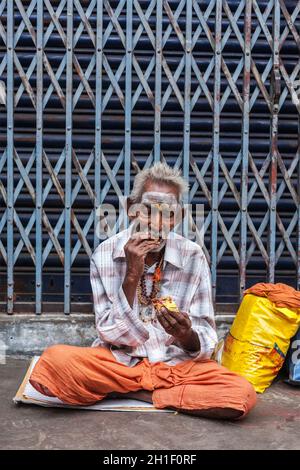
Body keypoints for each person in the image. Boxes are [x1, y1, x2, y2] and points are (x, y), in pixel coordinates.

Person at [30, 162, 257, 419]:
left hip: (175, 368)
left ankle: (132, 392)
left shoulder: (193, 256)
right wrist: (131, 274)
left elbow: (206, 337)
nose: (157, 222)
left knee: (241, 393)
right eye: (148, 210)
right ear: (131, 210)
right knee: (53, 362)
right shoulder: (105, 254)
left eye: (168, 213)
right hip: (119, 363)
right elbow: (108, 332)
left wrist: (186, 335)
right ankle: (150, 391)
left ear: (178, 217)